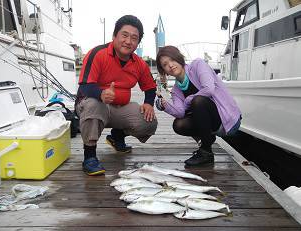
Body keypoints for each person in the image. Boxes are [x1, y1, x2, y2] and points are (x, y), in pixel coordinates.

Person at [75, 15, 158, 175]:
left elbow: (150, 87)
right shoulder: (97, 53)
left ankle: (117, 136)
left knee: (149, 122)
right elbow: (85, 85)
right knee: (94, 104)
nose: (128, 41)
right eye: (124, 35)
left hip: (119, 108)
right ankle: (90, 156)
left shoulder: (139, 63)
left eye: (134, 38)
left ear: (138, 43)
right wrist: (101, 94)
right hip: (92, 105)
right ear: (114, 36)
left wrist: (148, 103)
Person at [155, 46, 241, 166]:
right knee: (178, 125)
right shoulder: (176, 90)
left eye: (172, 59)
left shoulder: (197, 65)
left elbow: (209, 89)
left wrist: (188, 99)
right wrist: (165, 106)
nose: (170, 65)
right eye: (165, 64)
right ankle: (207, 141)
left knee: (198, 101)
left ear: (179, 58)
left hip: (228, 120)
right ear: (163, 70)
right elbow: (180, 112)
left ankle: (205, 152)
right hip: (211, 125)